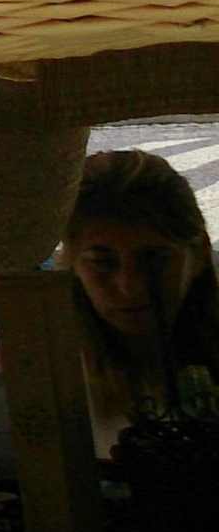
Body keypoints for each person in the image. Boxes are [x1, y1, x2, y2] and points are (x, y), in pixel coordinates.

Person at [63, 150, 219, 452]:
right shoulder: (38, 357)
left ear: (198, 255)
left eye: (155, 259)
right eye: (103, 263)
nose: (131, 287)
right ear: (72, 264)